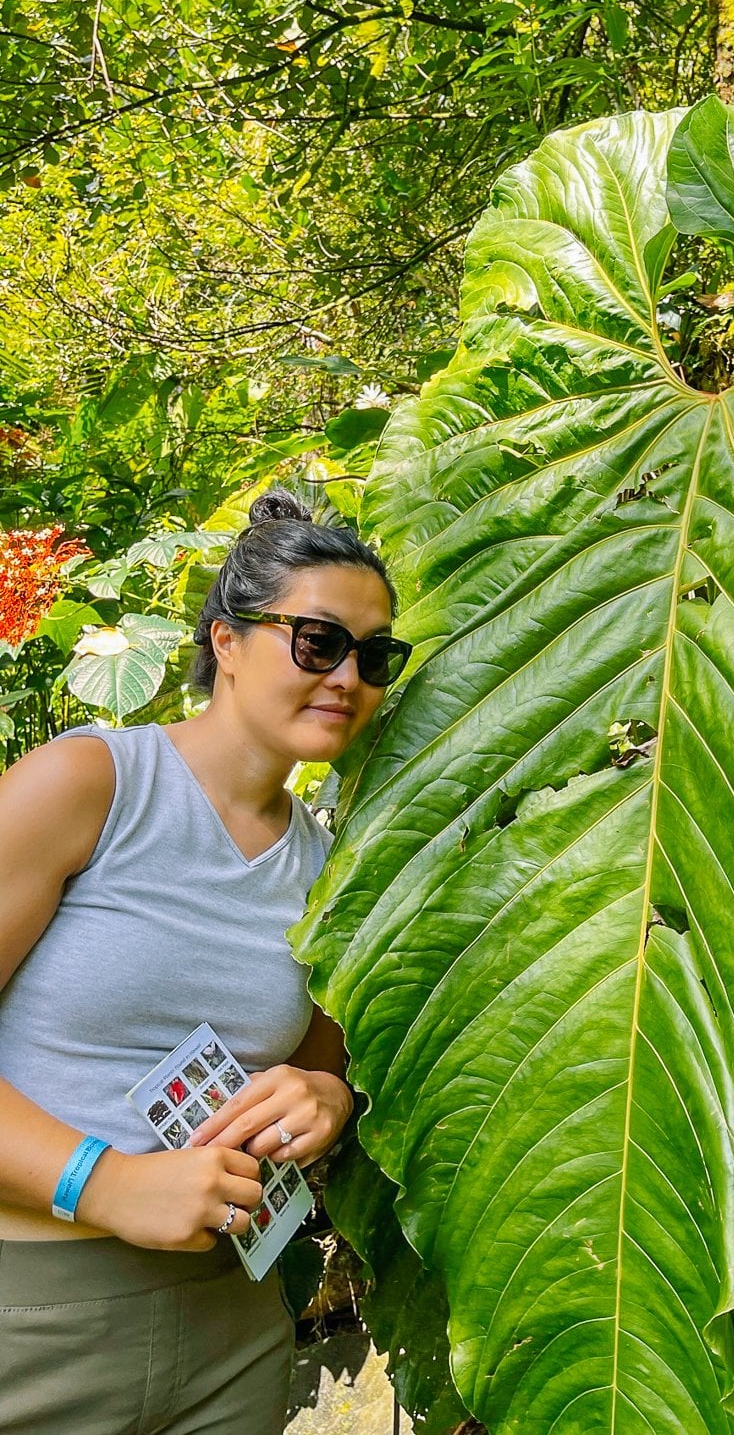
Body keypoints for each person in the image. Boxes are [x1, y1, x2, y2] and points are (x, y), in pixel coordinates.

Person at [0, 487, 411, 1433]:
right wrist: (100, 1182)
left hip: (231, 1321)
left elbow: (319, 1059)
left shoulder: (328, 868)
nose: (347, 675)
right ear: (225, 641)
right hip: (34, 1310)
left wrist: (328, 1097)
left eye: (375, 655)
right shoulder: (94, 783)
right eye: (317, 642)